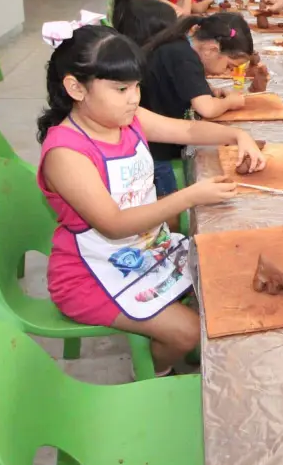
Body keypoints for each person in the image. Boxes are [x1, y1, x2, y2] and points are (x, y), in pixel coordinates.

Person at [36, 25, 265, 374]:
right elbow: (113, 225)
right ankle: (153, 371)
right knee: (189, 333)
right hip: (91, 273)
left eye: (137, 86)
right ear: (75, 87)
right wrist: (189, 196)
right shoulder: (66, 152)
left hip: (145, 247)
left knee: (224, 273)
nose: (134, 98)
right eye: (121, 88)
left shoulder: (127, 120)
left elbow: (187, 130)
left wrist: (237, 134)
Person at [126, 9, 254, 196]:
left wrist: (209, 90)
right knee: (168, 201)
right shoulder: (184, 57)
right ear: (213, 50)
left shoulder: (182, 46)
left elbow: (186, 82)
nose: (226, 72)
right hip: (154, 151)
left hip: (156, 135)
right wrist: (230, 102)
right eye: (229, 66)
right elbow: (207, 108)